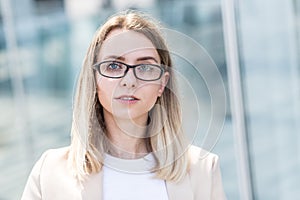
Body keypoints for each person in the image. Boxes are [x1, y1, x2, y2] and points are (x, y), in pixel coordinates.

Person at [21, 10, 226, 200]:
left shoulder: (203, 170)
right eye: (113, 66)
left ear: (162, 84)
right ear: (94, 79)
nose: (129, 80)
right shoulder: (50, 173)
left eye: (145, 67)